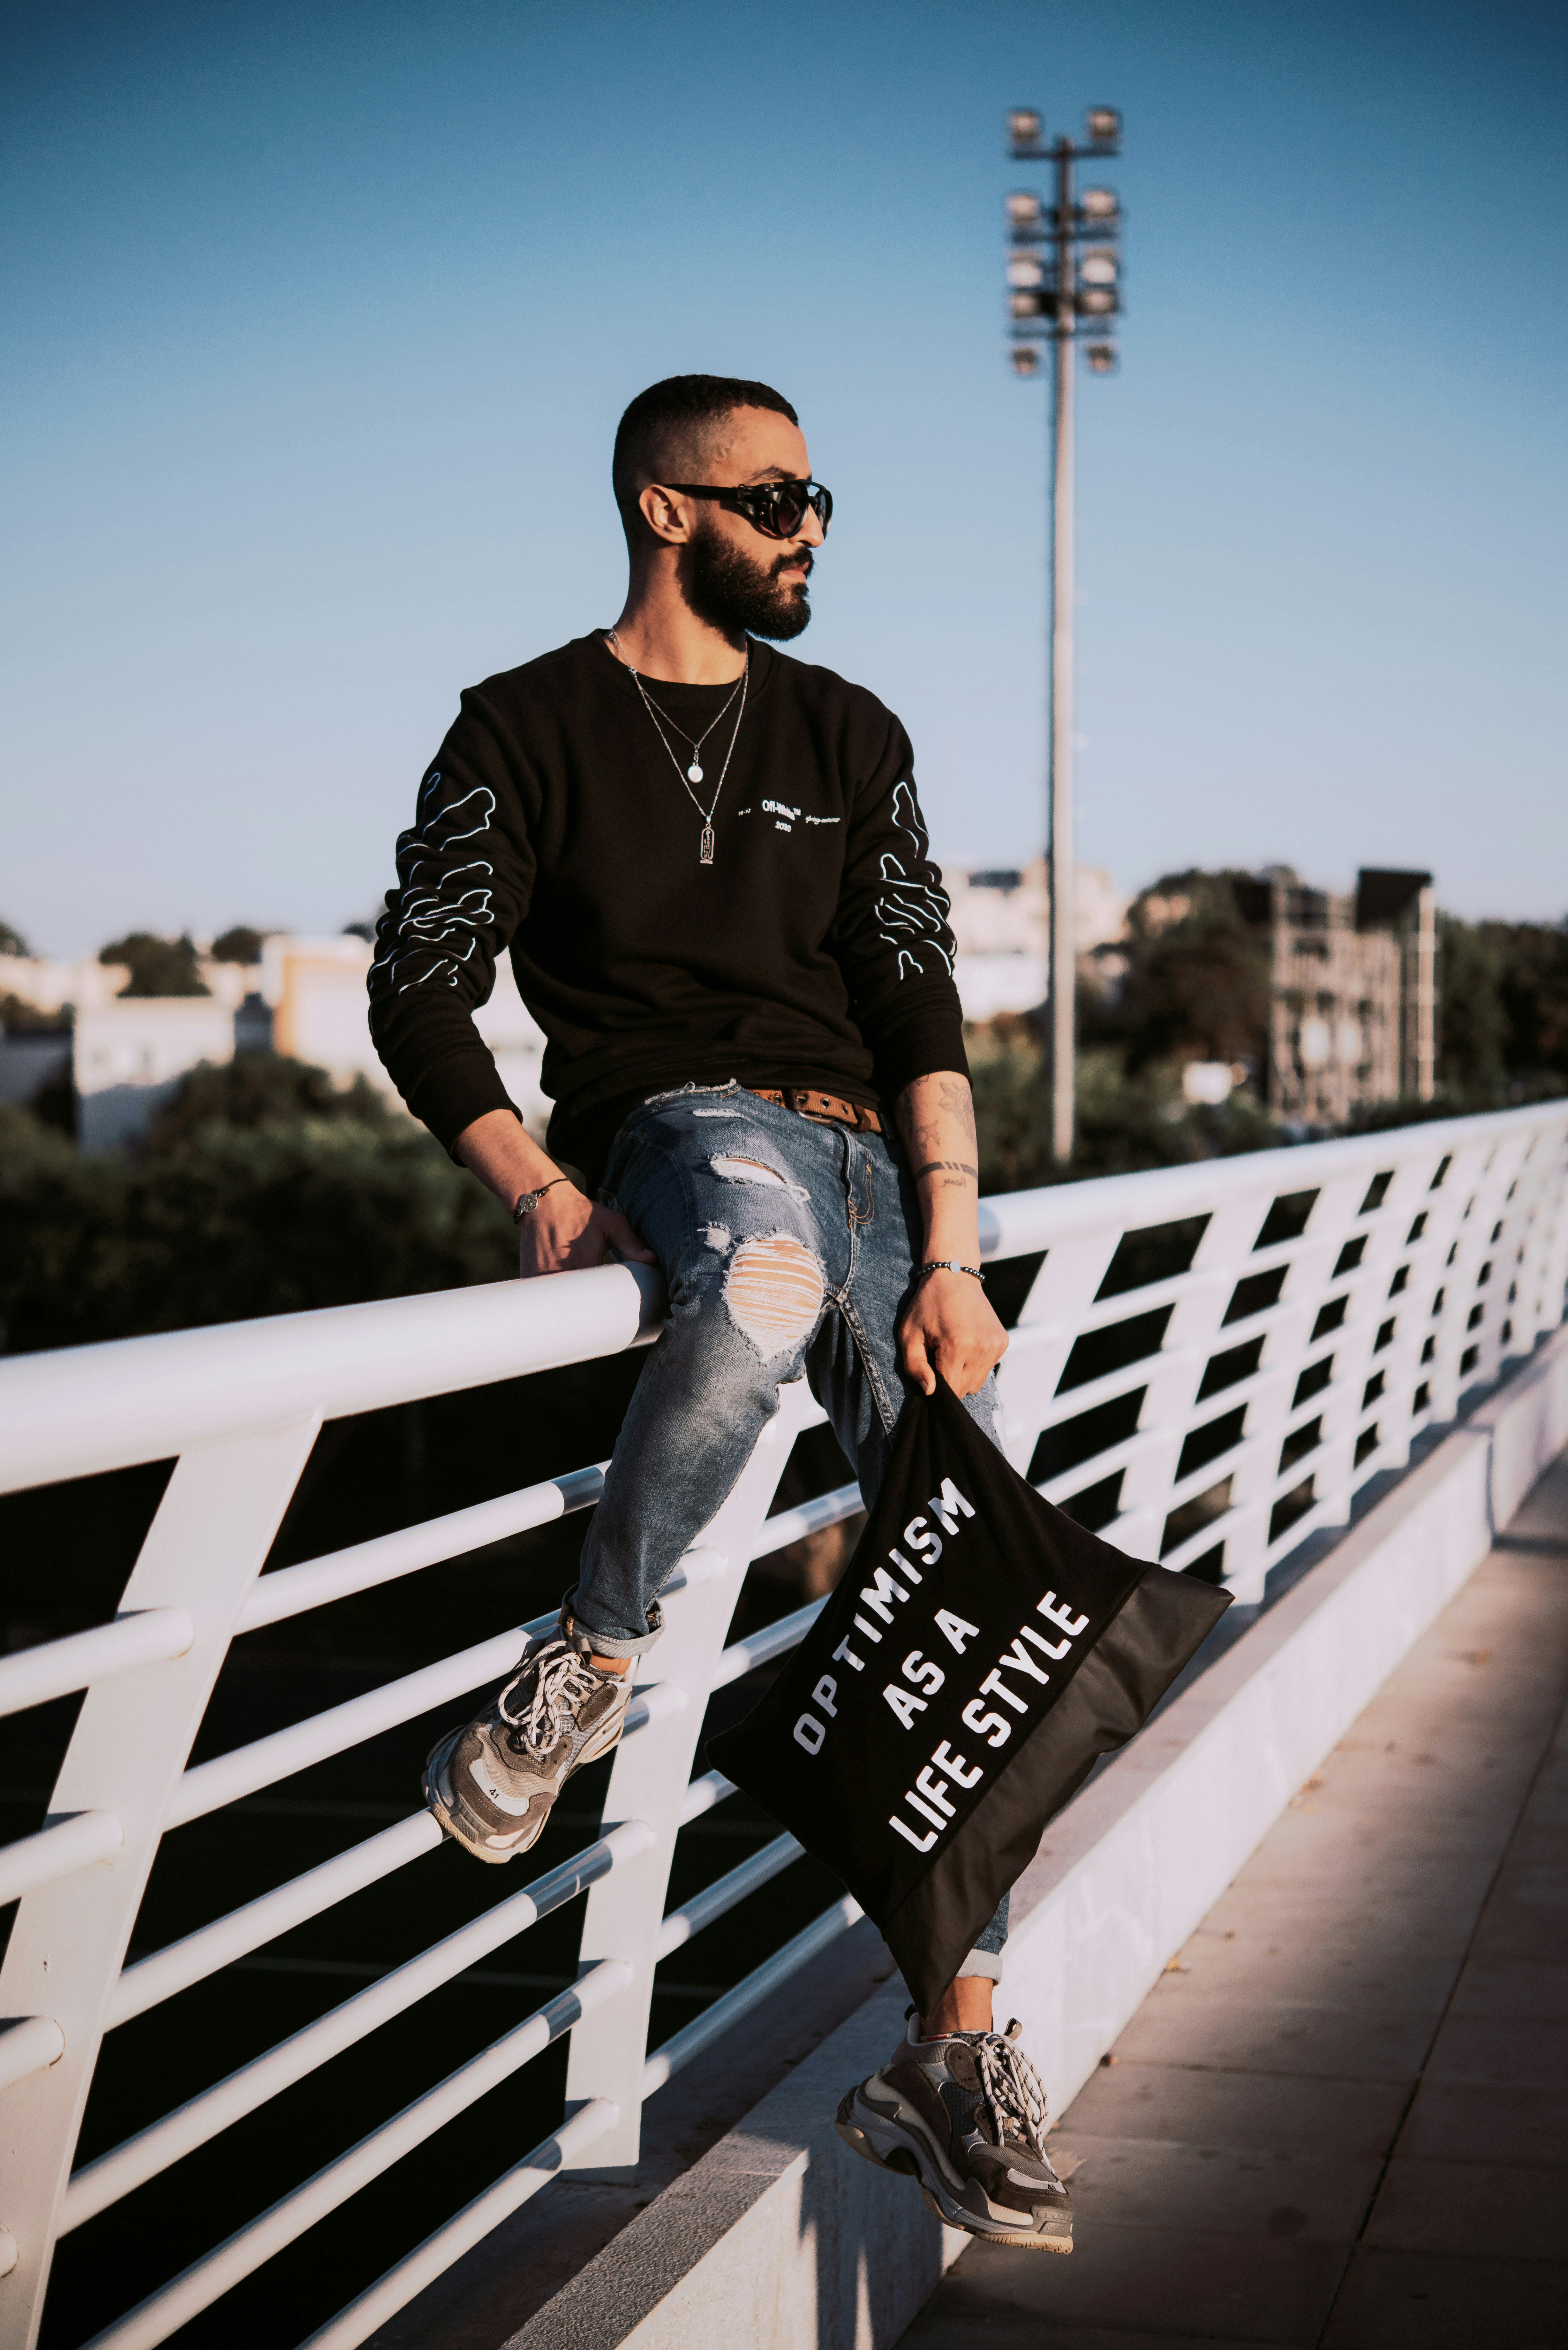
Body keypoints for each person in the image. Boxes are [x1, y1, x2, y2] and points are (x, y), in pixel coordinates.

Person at [368, 374, 1072, 2251]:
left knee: (964, 1586)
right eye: (778, 498)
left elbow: (918, 1000)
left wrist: (954, 1250)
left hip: (876, 1172)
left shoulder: (850, 728)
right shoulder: (519, 727)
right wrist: (538, 1189)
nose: (814, 527)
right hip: (687, 1128)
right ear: (669, 509)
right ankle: (580, 1670)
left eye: (824, 496)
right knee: (751, 1285)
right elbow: (420, 989)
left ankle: (955, 2046)